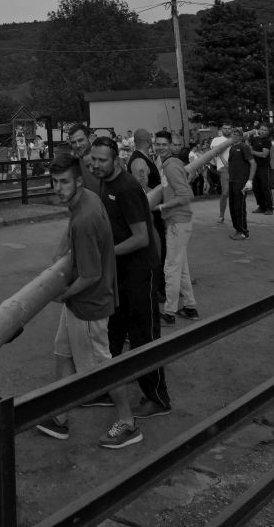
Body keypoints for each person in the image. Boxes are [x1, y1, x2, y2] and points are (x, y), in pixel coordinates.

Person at [36, 152, 142, 450]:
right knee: (63, 353)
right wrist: (62, 251)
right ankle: (59, 417)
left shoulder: (85, 218)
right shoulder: (88, 199)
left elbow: (90, 275)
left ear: (79, 182)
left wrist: (62, 294)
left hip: (89, 305)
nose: (58, 188)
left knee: (100, 367)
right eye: (54, 181)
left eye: (64, 182)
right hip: (83, 302)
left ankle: (128, 423)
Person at [89, 136, 171, 417]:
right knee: (113, 333)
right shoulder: (105, 183)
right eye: (93, 159)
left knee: (143, 336)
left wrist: (105, 254)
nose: (96, 164)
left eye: (102, 160)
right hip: (119, 273)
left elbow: (141, 237)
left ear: (116, 161)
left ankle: (157, 398)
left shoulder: (126, 188)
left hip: (139, 273)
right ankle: (108, 388)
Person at [152, 131, 198, 325]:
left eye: (164, 144)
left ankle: (169, 313)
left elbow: (186, 195)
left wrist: (163, 206)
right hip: (180, 222)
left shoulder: (170, 166)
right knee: (182, 267)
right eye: (158, 144)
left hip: (177, 222)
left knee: (171, 267)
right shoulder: (172, 164)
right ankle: (190, 307)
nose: (160, 147)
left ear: (171, 146)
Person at [128, 128, 166, 301]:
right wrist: (163, 190)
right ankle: (155, 290)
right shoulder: (139, 161)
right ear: (149, 141)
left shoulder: (142, 158)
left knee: (159, 251)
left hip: (153, 211)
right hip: (150, 214)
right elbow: (141, 189)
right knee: (156, 252)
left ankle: (159, 287)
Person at [227, 128, 255, 240]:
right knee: (233, 206)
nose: (234, 135)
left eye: (237, 134)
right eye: (233, 133)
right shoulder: (232, 148)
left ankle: (243, 232)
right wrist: (219, 156)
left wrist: (250, 181)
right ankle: (238, 229)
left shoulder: (244, 147)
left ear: (241, 136)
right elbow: (230, 165)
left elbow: (253, 164)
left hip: (241, 181)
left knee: (239, 206)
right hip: (232, 181)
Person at [68, 123, 101, 195]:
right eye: (73, 142)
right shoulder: (74, 163)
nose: (78, 145)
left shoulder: (105, 160)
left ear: (90, 138)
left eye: (80, 140)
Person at [210, 124, 233, 223]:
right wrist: (229, 142)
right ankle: (221, 215)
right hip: (224, 168)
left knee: (236, 193)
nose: (227, 130)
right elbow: (216, 152)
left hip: (236, 168)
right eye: (225, 128)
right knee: (225, 193)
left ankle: (237, 216)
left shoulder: (236, 138)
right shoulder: (216, 140)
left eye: (229, 128)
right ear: (221, 129)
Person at [251, 123, 273, 215]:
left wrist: (252, 151)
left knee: (265, 188)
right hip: (254, 167)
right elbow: (248, 144)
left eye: (265, 130)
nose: (263, 131)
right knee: (256, 188)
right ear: (259, 130)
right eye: (261, 129)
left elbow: (264, 154)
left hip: (264, 167)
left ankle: (269, 208)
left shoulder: (267, 141)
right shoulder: (255, 139)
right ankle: (261, 207)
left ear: (268, 132)